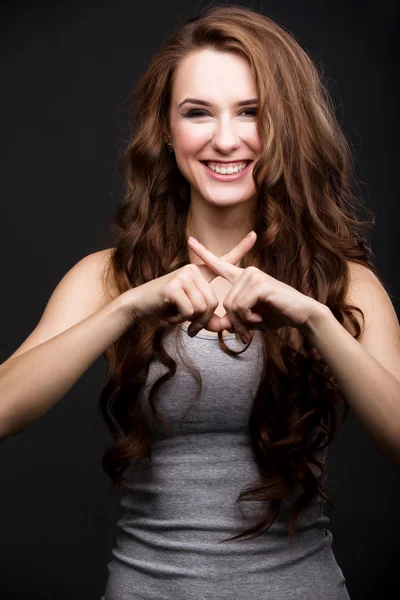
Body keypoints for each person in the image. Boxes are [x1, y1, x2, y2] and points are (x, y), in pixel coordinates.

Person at [1, 4, 399, 599]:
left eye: (250, 113)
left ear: (283, 126)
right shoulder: (109, 278)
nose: (225, 138)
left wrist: (316, 319)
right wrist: (129, 308)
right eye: (197, 113)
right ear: (166, 128)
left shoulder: (341, 282)